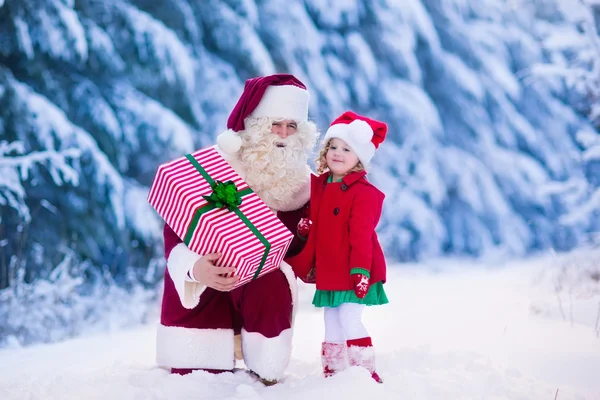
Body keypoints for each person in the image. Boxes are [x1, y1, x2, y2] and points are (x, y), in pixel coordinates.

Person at [157, 74, 318, 385]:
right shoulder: (218, 169)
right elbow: (176, 231)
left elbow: (306, 253)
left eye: (292, 126)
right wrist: (194, 268)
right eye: (275, 124)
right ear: (256, 125)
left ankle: (266, 365)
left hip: (258, 289)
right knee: (199, 381)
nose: (283, 134)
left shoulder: (306, 189)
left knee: (274, 279)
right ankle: (205, 357)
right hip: (208, 284)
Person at [288, 111, 389, 383]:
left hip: (357, 267)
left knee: (349, 317)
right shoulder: (321, 185)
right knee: (331, 320)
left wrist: (360, 271)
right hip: (331, 269)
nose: (338, 153)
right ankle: (332, 372)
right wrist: (305, 225)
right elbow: (318, 219)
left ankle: (365, 372)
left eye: (347, 149)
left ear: (360, 158)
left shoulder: (364, 193)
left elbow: (361, 236)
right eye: (333, 146)